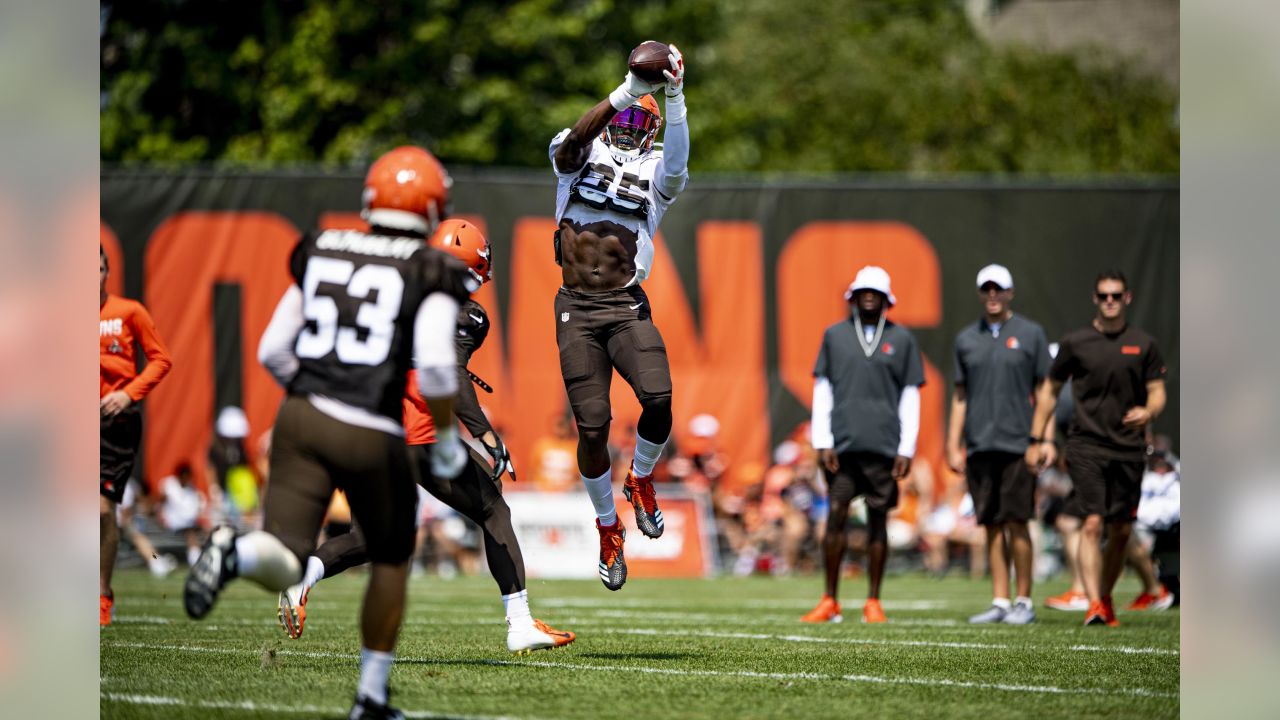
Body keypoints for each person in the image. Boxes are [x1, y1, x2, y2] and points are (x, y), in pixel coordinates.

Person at [183, 146, 475, 720]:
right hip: (370, 425)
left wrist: (309, 393)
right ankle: (370, 696)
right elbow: (439, 367)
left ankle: (233, 553)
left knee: (286, 556)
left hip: (301, 417)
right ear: (434, 205)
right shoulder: (430, 267)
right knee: (391, 557)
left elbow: (272, 348)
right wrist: (443, 441)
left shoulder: (322, 246)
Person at [275, 218, 575, 655]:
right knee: (493, 511)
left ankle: (306, 573)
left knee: (369, 535)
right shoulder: (464, 312)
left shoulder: (391, 292)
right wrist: (486, 435)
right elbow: (448, 375)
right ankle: (520, 622)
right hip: (419, 432)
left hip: (367, 425)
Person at [549, 43, 688, 590]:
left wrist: (672, 98)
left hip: (625, 304)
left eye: (640, 119)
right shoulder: (582, 152)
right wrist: (629, 90)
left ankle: (643, 479)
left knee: (658, 399)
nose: (631, 125)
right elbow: (568, 149)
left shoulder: (658, 169)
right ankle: (609, 529)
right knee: (592, 426)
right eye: (626, 116)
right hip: (576, 309)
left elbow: (677, 166)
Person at [1026, 270, 1167, 627]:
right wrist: (1038, 439)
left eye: (1116, 296)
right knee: (1091, 523)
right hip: (1086, 446)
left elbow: (1157, 391)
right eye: (1103, 295)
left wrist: (1148, 411)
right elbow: (1049, 391)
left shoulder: (1143, 344)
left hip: (1128, 449)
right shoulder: (1076, 342)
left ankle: (1104, 597)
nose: (1109, 301)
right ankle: (1093, 604)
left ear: (1127, 298)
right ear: (1095, 298)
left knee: (1120, 530)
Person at [802, 266, 924, 624]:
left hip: (884, 445)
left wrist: (907, 447)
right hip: (842, 447)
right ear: (853, 296)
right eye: (863, 291)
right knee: (836, 517)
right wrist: (822, 440)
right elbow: (822, 389)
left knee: (878, 521)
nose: (869, 296)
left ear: (887, 298)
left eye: (876, 292)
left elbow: (910, 395)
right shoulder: (835, 335)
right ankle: (830, 599)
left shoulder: (902, 339)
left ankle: (873, 600)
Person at [946, 264, 1051, 625]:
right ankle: (1000, 600)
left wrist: (1044, 439)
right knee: (990, 524)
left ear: (1010, 293)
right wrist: (951, 443)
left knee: (1018, 521)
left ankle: (1024, 600)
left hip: (1019, 443)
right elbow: (960, 395)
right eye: (986, 289)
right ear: (980, 293)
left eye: (998, 289)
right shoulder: (966, 339)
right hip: (979, 444)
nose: (992, 295)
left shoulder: (1031, 334)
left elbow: (1044, 391)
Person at [100, 245, 173, 625]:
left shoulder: (129, 312)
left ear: (107, 271)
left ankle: (101, 596)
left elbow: (161, 359)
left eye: (96, 268)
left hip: (114, 425)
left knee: (99, 511)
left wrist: (128, 394)